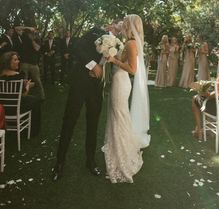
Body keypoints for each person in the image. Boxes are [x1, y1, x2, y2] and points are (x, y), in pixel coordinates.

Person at [52, 26, 105, 181]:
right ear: (113, 23)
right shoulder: (96, 31)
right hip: (80, 83)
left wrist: (101, 67)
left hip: (96, 88)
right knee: (69, 122)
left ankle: (90, 161)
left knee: (93, 124)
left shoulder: (118, 43)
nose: (119, 26)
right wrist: (92, 65)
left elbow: (111, 62)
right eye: (118, 23)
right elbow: (78, 48)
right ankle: (59, 163)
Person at [103, 14, 150, 183]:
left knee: (120, 116)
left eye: (125, 23)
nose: (122, 25)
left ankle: (123, 156)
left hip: (122, 81)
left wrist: (113, 60)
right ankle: (118, 149)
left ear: (130, 26)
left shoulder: (130, 43)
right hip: (119, 81)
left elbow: (132, 69)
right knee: (118, 115)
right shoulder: (129, 42)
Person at [191, 51, 219, 140]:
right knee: (205, 100)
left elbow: (218, 94)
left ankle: (199, 130)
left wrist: (205, 93)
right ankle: (208, 129)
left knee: (196, 98)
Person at [0, 51, 41, 137]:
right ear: (8, 62)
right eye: (15, 60)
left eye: (18, 59)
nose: (18, 61)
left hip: (2, 108)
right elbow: (23, 95)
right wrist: (27, 87)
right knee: (36, 101)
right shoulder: (19, 76)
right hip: (15, 108)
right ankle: (33, 131)